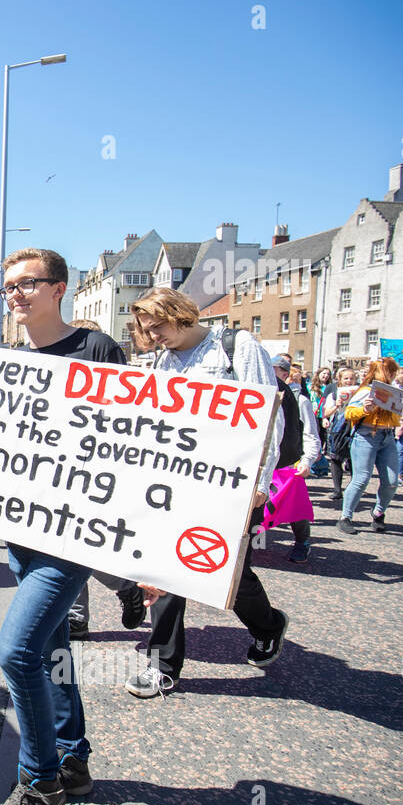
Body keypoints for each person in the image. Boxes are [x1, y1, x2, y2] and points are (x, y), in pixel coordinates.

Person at [0, 248, 122, 805]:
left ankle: (39, 782)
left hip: (72, 533)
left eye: (27, 284)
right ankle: (73, 758)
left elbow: (131, 449)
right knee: (53, 643)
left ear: (59, 288)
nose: (14, 295)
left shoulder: (98, 351)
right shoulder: (8, 362)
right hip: (23, 530)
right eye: (9, 286)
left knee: (17, 653)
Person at [125, 287, 289, 698]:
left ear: (181, 315)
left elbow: (269, 418)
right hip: (178, 481)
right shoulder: (164, 359)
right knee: (163, 569)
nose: (153, 335)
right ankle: (162, 664)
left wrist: (260, 483)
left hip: (232, 483)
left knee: (226, 572)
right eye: (147, 329)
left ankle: (268, 625)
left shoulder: (236, 347)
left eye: (158, 326)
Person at [337, 358, 402, 535]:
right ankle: (346, 517)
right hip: (366, 436)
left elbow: (397, 419)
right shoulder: (366, 391)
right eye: (391, 371)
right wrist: (365, 410)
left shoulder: (396, 393)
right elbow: (349, 413)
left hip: (387, 437)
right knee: (361, 478)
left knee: (391, 481)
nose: (394, 375)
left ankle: (378, 512)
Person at [271, 354, 322, 563]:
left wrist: (307, 460)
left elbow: (310, 434)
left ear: (284, 374)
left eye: (272, 369)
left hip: (288, 460)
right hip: (264, 459)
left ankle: (302, 541)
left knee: (293, 504)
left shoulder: (299, 400)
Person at [324, 367, 357, 501]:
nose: (349, 381)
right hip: (340, 428)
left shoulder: (361, 392)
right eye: (346, 378)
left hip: (356, 428)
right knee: (336, 458)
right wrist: (337, 406)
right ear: (340, 380)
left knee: (355, 459)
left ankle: (354, 488)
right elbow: (326, 413)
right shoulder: (334, 393)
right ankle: (337, 489)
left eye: (352, 378)